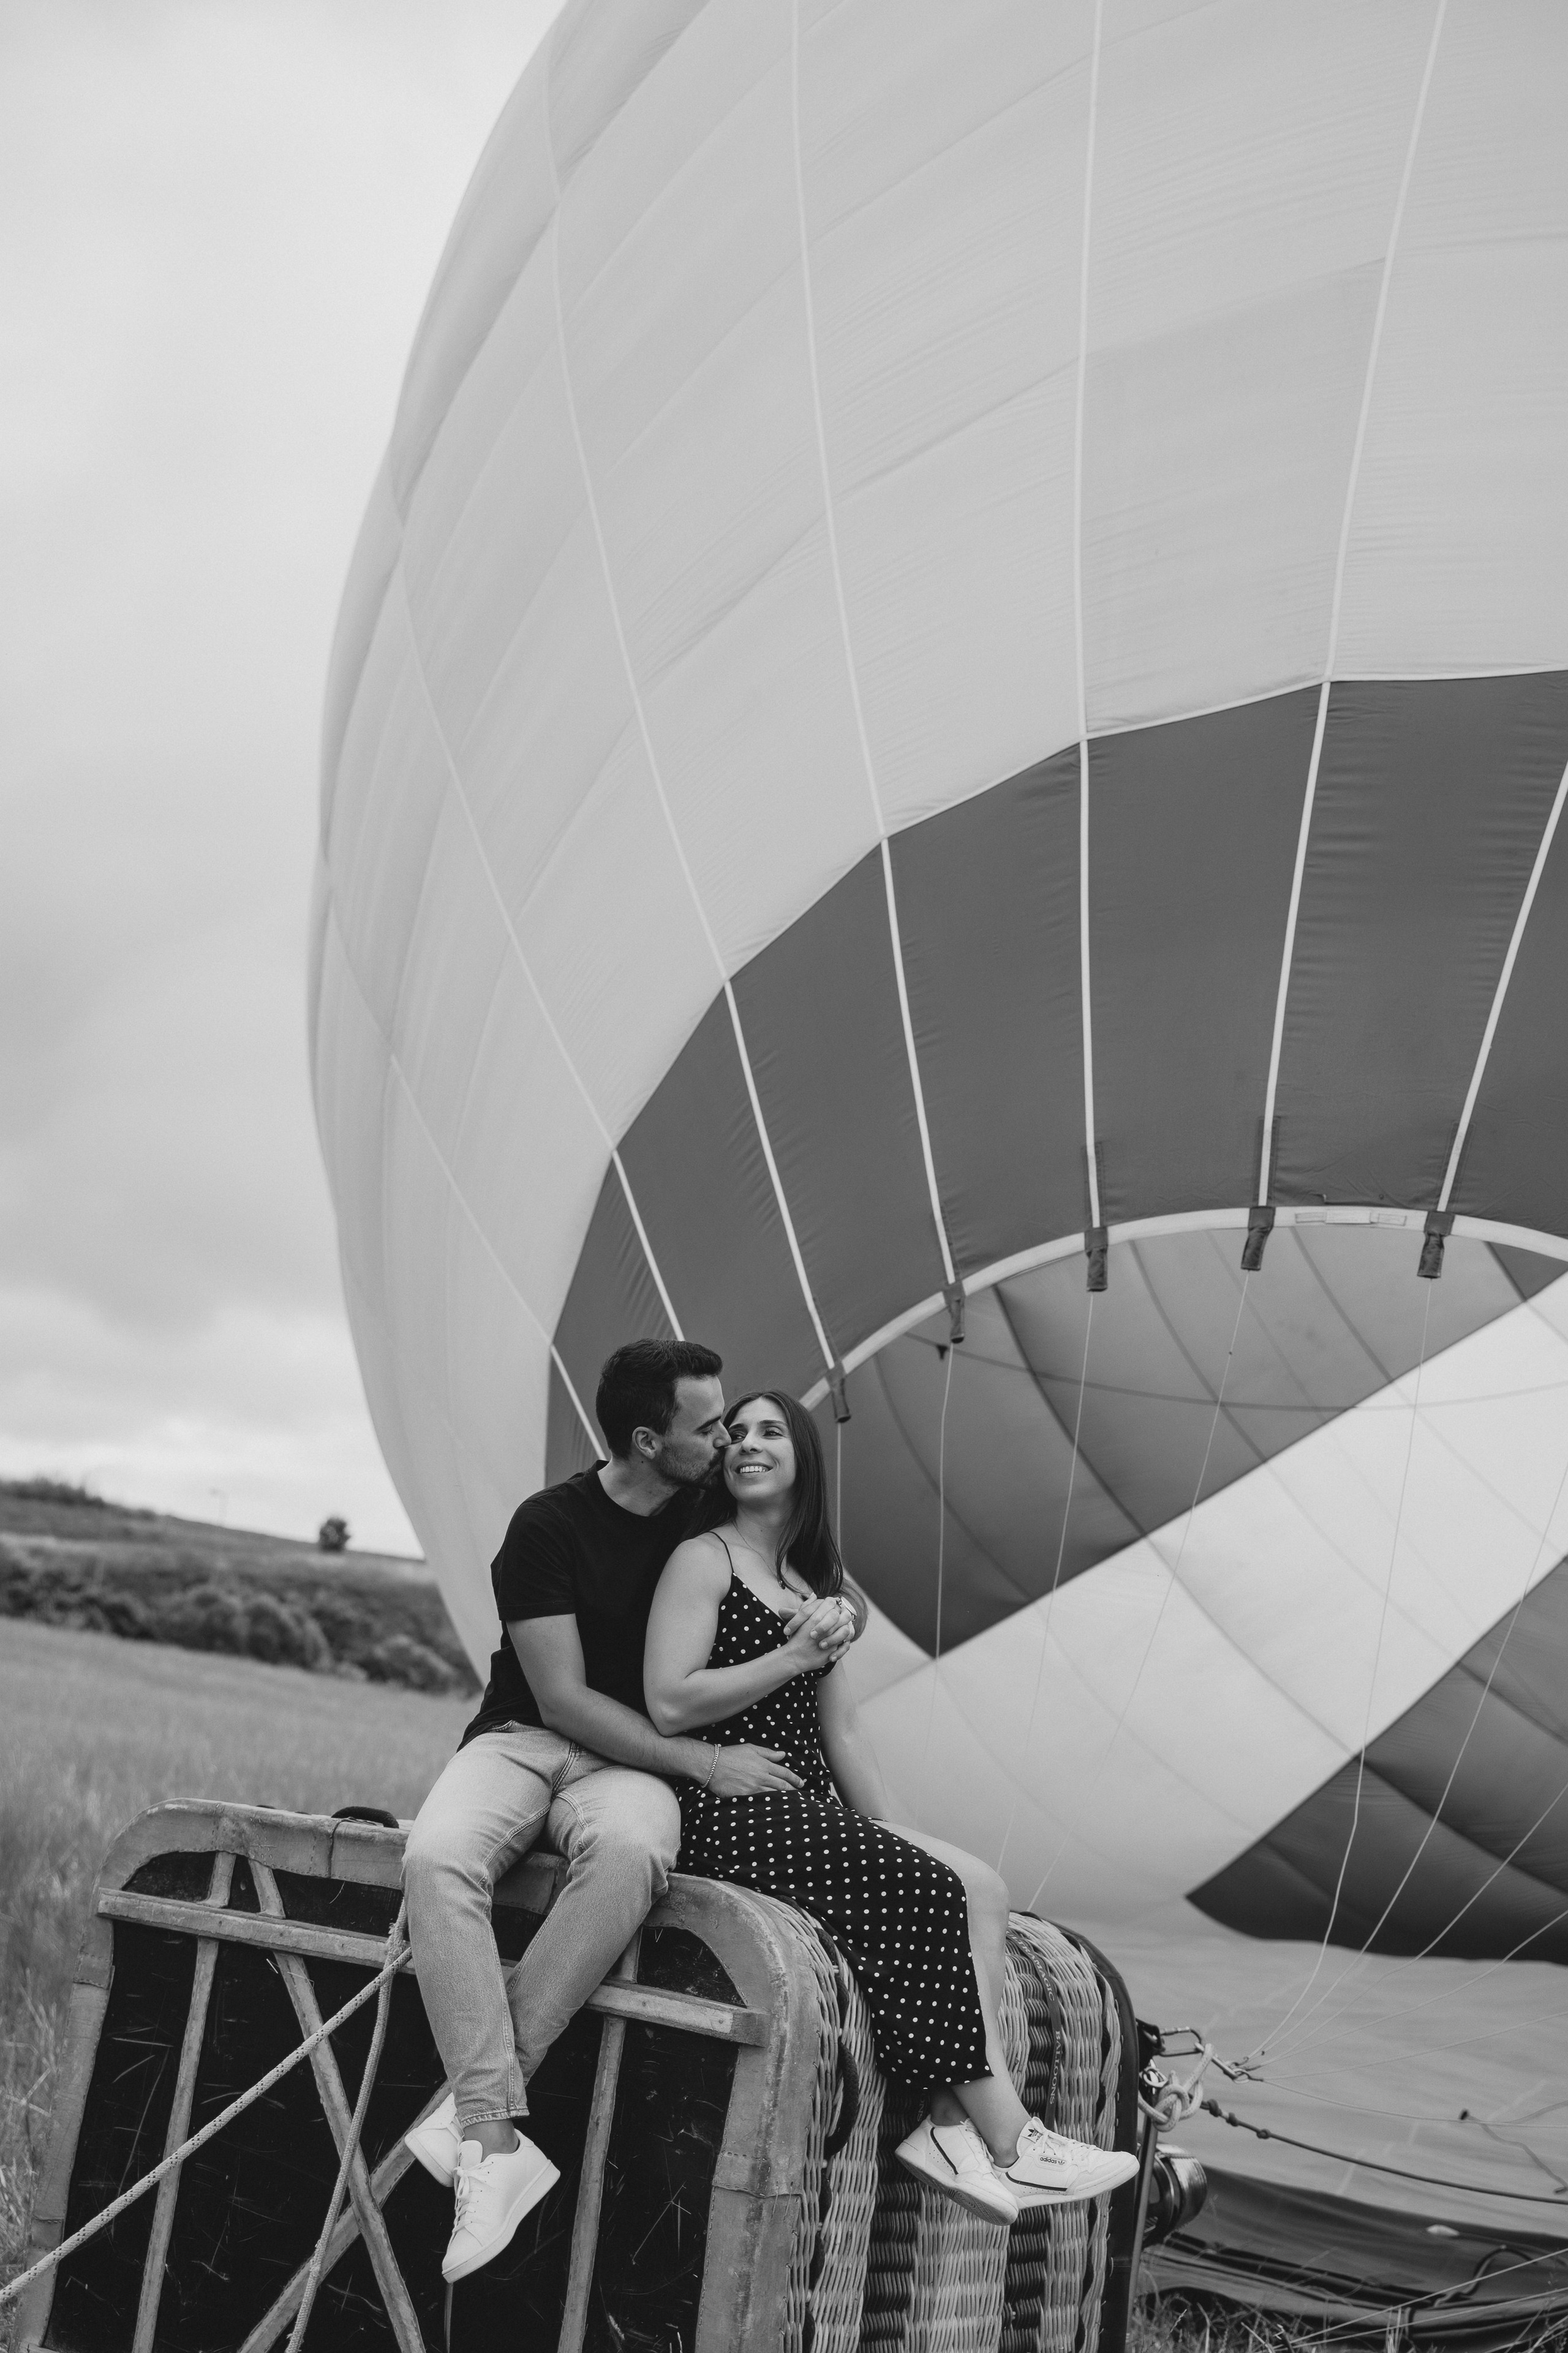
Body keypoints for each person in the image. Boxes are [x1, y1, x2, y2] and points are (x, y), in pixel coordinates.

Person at [400, 1340, 856, 2283]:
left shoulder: (709, 1517)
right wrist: (705, 1761)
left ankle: (476, 2118)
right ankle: (494, 2139)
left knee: (635, 1852)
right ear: (651, 1441)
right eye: (708, 1424)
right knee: (437, 1858)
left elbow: (800, 1564)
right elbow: (561, 1698)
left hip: (627, 1770)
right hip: (526, 1736)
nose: (730, 1436)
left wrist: (837, 1618)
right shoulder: (547, 1527)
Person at [643, 1389, 1140, 2227]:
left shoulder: (813, 1585)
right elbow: (668, 1701)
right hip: (725, 1803)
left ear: (804, 1456)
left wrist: (901, 1836)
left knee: (974, 1881)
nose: (747, 1444)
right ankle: (1015, 2140)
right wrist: (793, 1652)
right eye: (738, 1433)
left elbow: (845, 1736)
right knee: (927, 1890)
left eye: (771, 1431)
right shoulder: (705, 1560)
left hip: (803, 1805)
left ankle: (948, 2129)